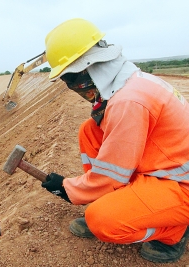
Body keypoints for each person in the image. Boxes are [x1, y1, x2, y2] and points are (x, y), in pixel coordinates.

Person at [41, 18, 189, 263]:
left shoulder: (129, 101)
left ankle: (174, 230)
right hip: (166, 168)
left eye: (71, 78)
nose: (73, 86)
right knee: (90, 130)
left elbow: (113, 174)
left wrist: (69, 189)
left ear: (91, 67)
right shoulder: (130, 83)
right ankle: (114, 200)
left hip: (180, 185)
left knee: (101, 222)